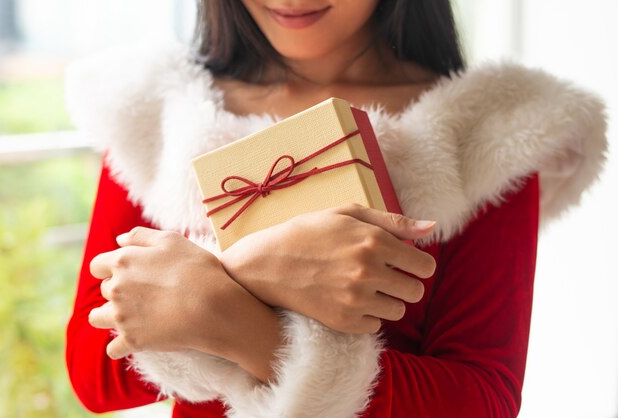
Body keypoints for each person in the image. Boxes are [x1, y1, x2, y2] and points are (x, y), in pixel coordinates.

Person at [64, 1, 607, 417]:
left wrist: (246, 330)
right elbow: (92, 370)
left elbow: (483, 400)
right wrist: (252, 271)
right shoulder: (158, 109)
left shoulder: (484, 132)